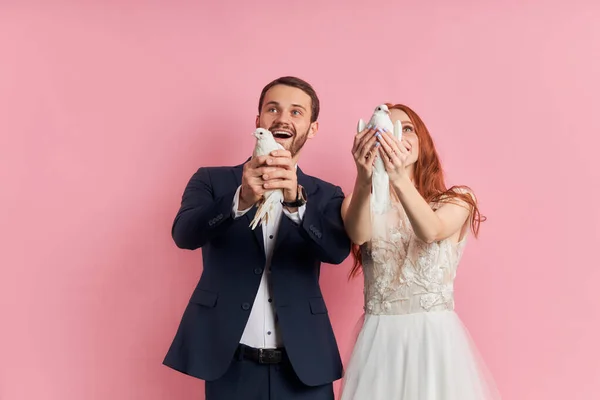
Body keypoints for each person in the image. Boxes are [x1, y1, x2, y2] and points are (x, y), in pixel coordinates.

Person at [162, 76, 352, 400]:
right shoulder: (211, 180)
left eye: (296, 112)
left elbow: (336, 252)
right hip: (230, 366)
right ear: (258, 120)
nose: (282, 118)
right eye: (272, 109)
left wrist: (295, 202)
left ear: (312, 127)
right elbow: (184, 235)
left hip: (305, 368)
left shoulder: (326, 194)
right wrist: (240, 200)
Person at [339, 104, 501, 399]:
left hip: (434, 340)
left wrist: (398, 177)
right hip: (379, 341)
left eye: (408, 128)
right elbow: (359, 233)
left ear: (422, 140)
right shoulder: (358, 201)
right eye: (387, 127)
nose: (397, 134)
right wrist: (365, 178)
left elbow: (431, 230)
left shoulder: (458, 199)